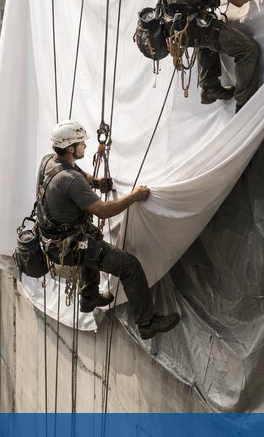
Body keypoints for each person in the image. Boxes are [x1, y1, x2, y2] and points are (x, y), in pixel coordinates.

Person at [36, 120, 180, 340]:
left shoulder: (49, 161)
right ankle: (147, 323)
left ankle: (89, 296)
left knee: (93, 236)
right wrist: (134, 196)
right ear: (71, 149)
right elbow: (103, 211)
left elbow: (76, 172)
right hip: (68, 247)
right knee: (130, 266)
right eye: (81, 143)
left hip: (52, 239)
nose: (86, 145)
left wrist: (96, 182)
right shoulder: (70, 181)